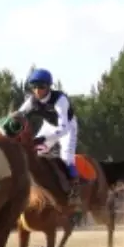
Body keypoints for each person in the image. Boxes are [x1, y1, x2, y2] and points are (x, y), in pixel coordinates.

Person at [17, 68, 80, 201]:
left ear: (49, 87)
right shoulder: (32, 100)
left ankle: (75, 190)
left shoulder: (60, 100)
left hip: (67, 128)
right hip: (49, 126)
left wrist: (43, 139)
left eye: (41, 86)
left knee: (66, 157)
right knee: (34, 154)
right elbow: (18, 114)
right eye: (34, 87)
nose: (37, 90)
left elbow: (63, 128)